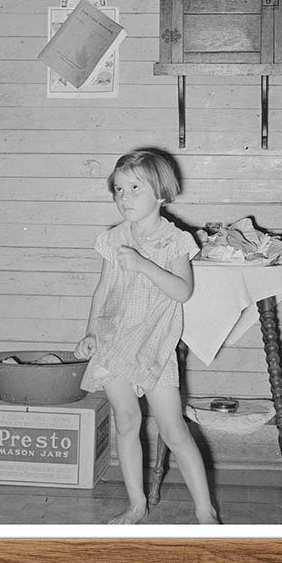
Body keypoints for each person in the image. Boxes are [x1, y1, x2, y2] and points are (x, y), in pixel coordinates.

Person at [74, 149, 219, 525]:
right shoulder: (112, 239)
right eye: (118, 189)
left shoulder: (176, 241)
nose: (125, 197)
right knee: (125, 422)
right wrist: (91, 331)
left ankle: (206, 511)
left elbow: (182, 291)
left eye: (135, 187)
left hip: (154, 347)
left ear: (160, 193)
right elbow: (102, 290)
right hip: (114, 342)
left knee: (173, 430)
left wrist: (143, 264)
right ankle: (137, 504)